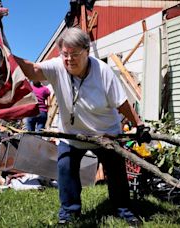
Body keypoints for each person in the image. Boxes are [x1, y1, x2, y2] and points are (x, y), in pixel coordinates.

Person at [12, 27, 151, 225]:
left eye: (75, 54)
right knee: (65, 166)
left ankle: (123, 209)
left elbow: (122, 103)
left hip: (106, 133)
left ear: (87, 51)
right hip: (72, 134)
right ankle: (69, 213)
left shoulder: (103, 72)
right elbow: (32, 71)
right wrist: (6, 54)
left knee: (116, 172)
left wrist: (139, 124)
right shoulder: (58, 67)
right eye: (65, 54)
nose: (69, 59)